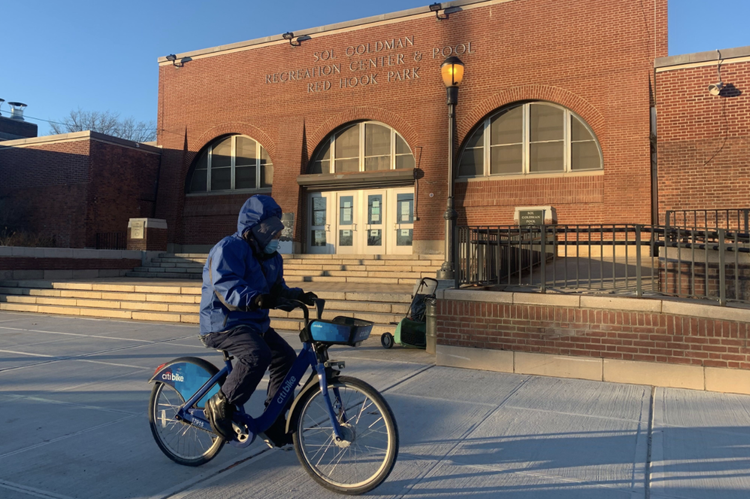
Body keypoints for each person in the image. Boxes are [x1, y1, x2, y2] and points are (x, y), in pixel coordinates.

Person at [198, 195, 317, 447]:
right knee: (257, 355)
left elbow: (276, 290)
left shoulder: (271, 257)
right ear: (255, 231)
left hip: (255, 324)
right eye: (271, 233)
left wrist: (297, 296)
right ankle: (221, 404)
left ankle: (273, 420)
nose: (276, 239)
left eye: (277, 233)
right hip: (224, 322)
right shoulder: (228, 248)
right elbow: (226, 286)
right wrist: (256, 299)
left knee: (285, 357)